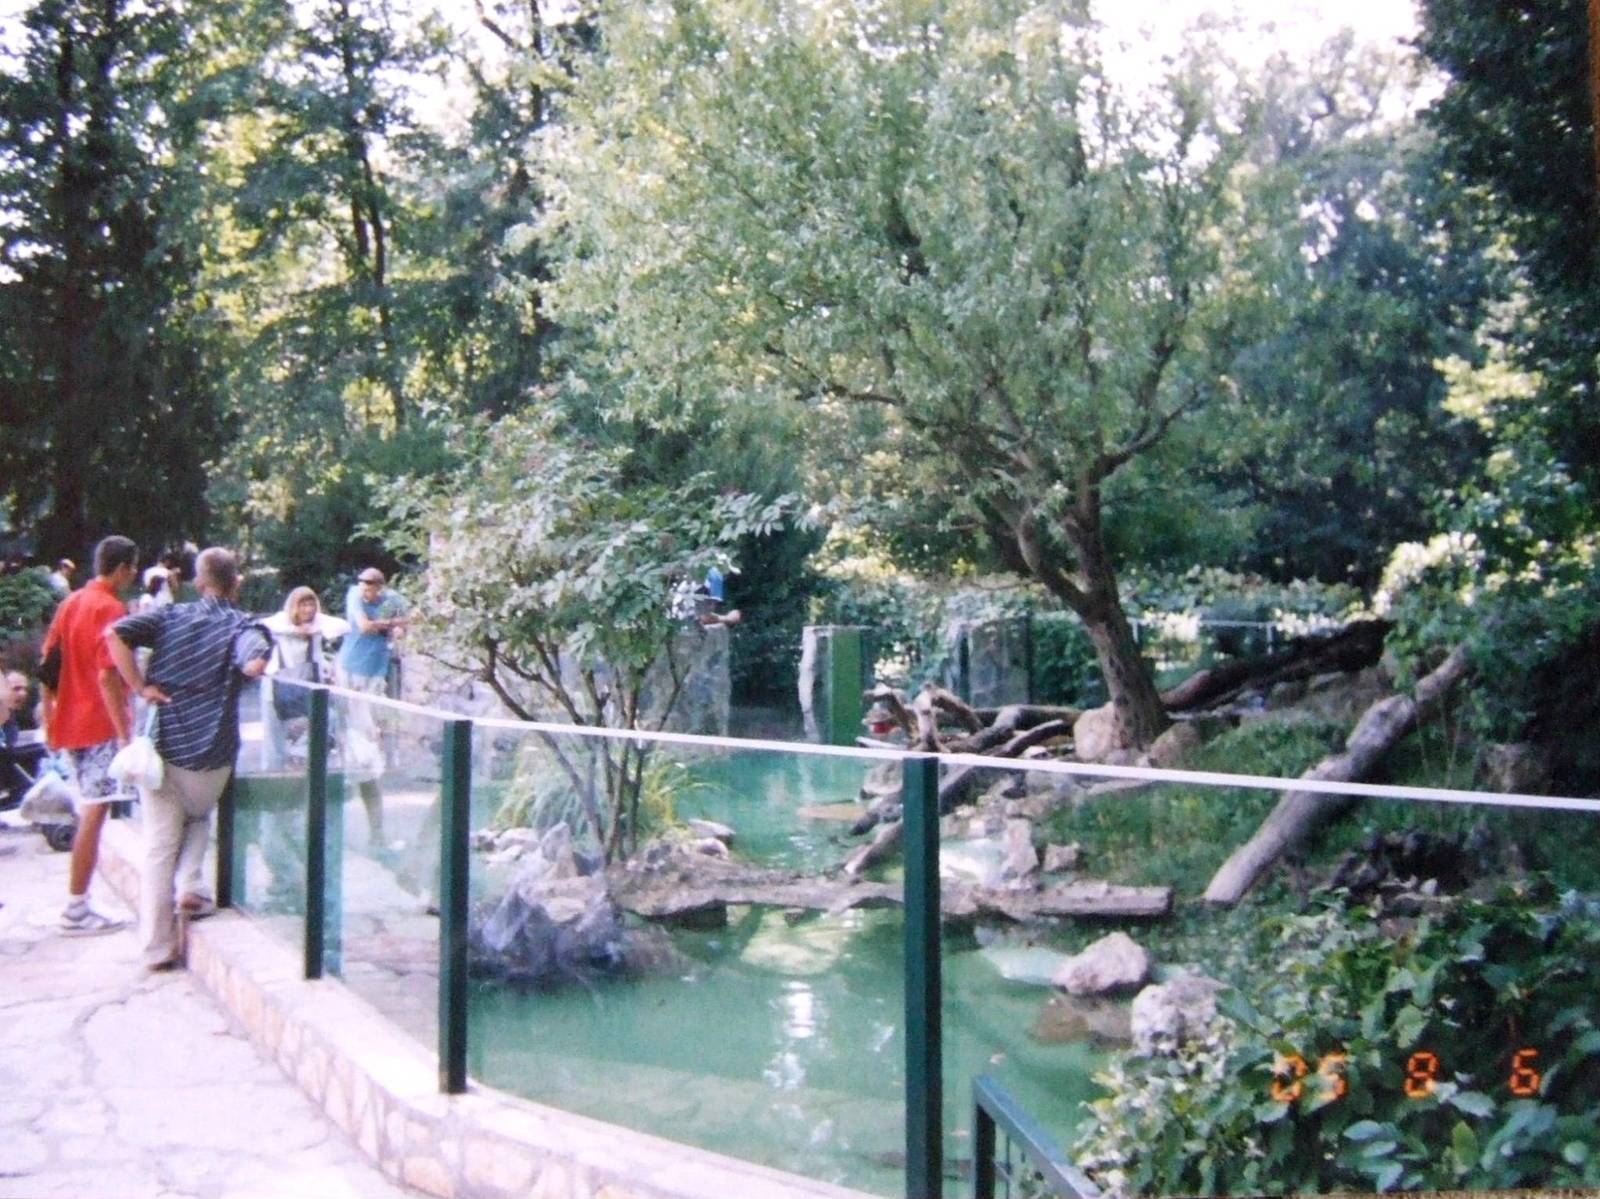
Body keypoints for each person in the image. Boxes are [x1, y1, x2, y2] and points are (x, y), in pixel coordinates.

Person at [106, 546, 270, 971]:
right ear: (236, 584)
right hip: (211, 755)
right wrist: (255, 662)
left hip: (163, 749)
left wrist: (141, 687)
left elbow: (115, 634)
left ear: (198, 582)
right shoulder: (242, 624)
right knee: (198, 816)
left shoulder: (169, 616)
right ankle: (192, 887)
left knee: (160, 847)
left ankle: (156, 947)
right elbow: (252, 657)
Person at [39, 535, 139, 934]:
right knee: (94, 815)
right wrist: (124, 735)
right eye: (132, 568)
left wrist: (50, 720)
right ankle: (76, 907)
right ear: (122, 569)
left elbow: (48, 667)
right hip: (98, 724)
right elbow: (108, 675)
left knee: (91, 811)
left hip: (71, 723)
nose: (133, 575)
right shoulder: (111, 608)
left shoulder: (71, 602)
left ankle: (79, 903)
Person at [336, 568, 406, 850]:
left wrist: (390, 623)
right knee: (354, 733)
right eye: (364, 584)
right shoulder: (354, 595)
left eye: (372, 586)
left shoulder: (392, 598)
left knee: (369, 742)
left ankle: (376, 832)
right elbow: (363, 626)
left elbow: (408, 624)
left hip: (376, 673)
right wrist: (390, 623)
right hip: (351, 670)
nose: (367, 590)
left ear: (381, 586)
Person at [261, 586, 348, 766]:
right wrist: (296, 630)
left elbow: (343, 626)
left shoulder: (317, 621)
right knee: (274, 741)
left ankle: (300, 756)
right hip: (277, 687)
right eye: (303, 605)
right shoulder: (281, 620)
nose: (308, 610)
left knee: (327, 720)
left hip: (306, 686)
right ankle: (273, 776)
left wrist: (314, 629)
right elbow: (263, 625)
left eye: (311, 604)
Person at [1, 670, 47, 809]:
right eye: (16, 689)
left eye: (25, 689)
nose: (23, 693)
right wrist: (41, 749)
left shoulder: (10, 721)